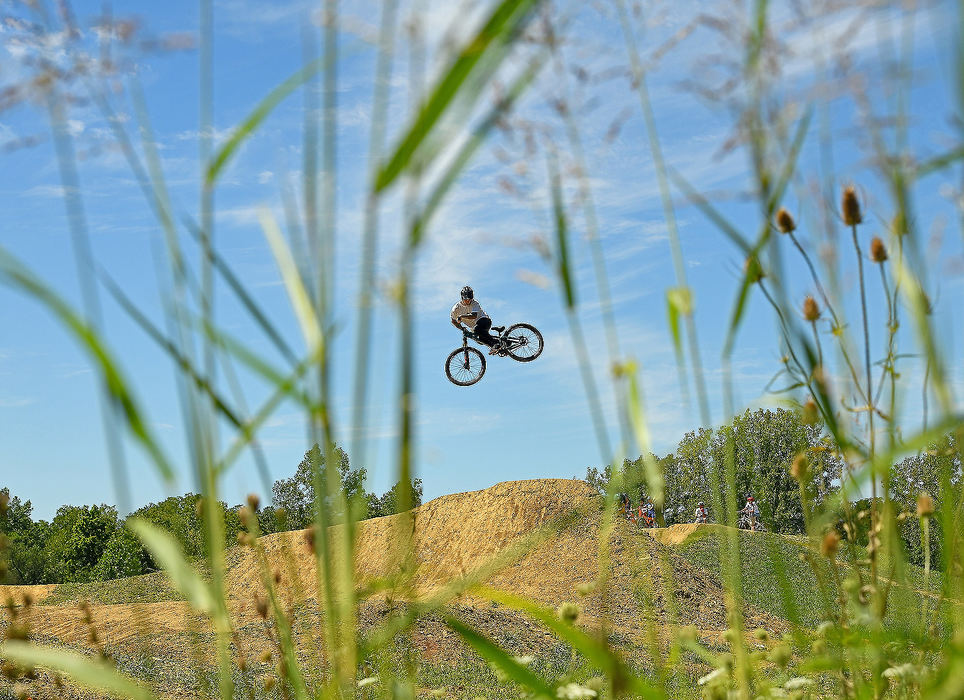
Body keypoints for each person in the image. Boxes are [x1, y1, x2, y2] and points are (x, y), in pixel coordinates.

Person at [451, 286, 501, 355]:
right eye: (466, 299)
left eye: (470, 299)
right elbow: (453, 321)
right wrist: (462, 328)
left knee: (478, 330)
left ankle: (495, 345)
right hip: (474, 327)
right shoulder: (456, 309)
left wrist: (461, 316)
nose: (468, 301)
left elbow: (473, 316)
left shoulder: (475, 303)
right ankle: (502, 343)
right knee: (480, 340)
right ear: (462, 298)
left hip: (484, 320)